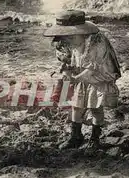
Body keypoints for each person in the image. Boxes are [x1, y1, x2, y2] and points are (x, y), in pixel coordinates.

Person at [43, 10, 121, 151]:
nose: (68, 40)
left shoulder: (97, 42)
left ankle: (95, 139)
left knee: (95, 108)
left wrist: (74, 78)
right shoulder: (67, 41)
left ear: (82, 32)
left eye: (71, 37)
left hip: (97, 78)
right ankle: (76, 136)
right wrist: (66, 67)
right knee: (76, 107)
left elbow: (93, 68)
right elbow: (69, 58)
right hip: (81, 76)